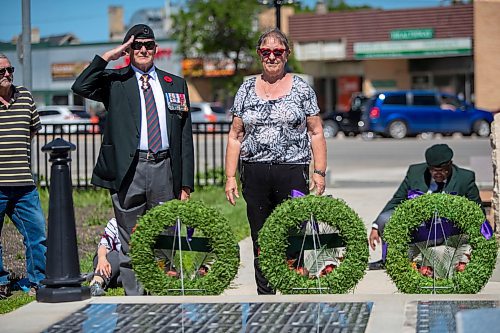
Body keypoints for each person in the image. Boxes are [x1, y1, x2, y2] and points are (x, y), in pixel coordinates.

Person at [72, 24, 194, 295]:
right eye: (135, 45)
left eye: (147, 45)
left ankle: (163, 296)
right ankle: (135, 304)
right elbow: (80, 85)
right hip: (129, 170)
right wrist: (111, 55)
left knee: (165, 237)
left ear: (156, 49)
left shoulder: (175, 84)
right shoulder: (116, 81)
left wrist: (185, 184)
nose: (142, 50)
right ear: (128, 48)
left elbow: (185, 136)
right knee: (130, 241)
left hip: (164, 168)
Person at [224, 28, 327, 294]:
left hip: (292, 171)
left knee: (294, 233)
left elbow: (315, 131)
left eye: (277, 51)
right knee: (260, 235)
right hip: (255, 172)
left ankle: (293, 289)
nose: (272, 56)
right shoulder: (246, 88)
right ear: (259, 55)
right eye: (266, 52)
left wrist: (320, 171)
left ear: (286, 54)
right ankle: (266, 295)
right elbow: (235, 135)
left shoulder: (302, 89)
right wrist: (230, 176)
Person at [368, 143, 483, 270]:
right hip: (418, 227)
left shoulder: (465, 178)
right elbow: (397, 199)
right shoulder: (415, 172)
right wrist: (376, 225)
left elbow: (477, 209)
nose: (438, 174)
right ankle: (389, 260)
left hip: (445, 230)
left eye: (443, 170)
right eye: (434, 170)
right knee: (385, 218)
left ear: (450, 164)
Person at [0, 53, 46, 298]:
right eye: (2, 72)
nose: (7, 74)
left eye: (10, 70)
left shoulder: (25, 96)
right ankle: (1, 282)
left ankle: (39, 280)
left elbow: (32, 131)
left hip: (24, 185)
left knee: (37, 234)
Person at [89, 218, 120, 297]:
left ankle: (97, 276)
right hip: (111, 262)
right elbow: (104, 245)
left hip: (125, 268)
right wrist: (102, 258)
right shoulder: (115, 223)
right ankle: (96, 283)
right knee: (115, 256)